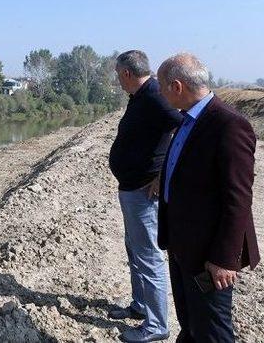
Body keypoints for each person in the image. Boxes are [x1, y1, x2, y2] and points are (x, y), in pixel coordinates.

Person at [156, 53, 260, 342]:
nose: (160, 93)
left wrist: (224, 258)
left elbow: (238, 199)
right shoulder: (188, 120)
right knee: (190, 324)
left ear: (176, 86)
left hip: (208, 254)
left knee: (212, 331)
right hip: (182, 244)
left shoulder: (228, 125)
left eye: (161, 86)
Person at [108, 50, 183, 343]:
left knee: (148, 256)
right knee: (134, 249)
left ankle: (156, 326)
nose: (117, 81)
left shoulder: (155, 95)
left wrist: (162, 173)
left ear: (127, 73)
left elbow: (184, 126)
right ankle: (140, 305)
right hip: (131, 188)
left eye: (118, 75)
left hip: (142, 192)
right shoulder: (142, 96)